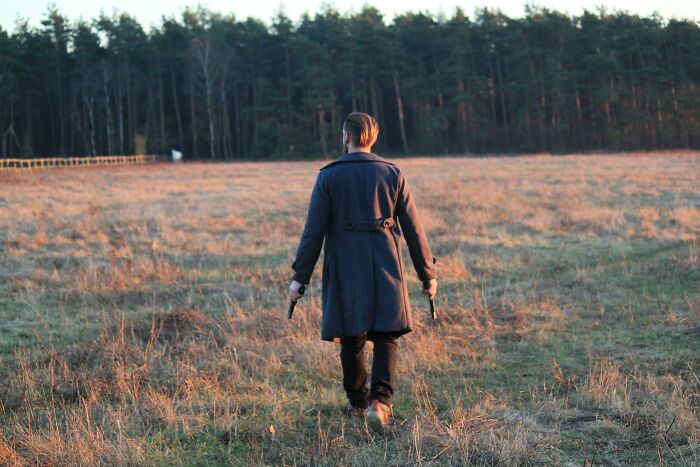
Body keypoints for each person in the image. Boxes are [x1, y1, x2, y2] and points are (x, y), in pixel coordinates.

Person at [288, 112, 437, 430]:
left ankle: (358, 402)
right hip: (386, 263)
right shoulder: (392, 173)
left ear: (346, 137)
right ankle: (380, 403)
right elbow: (414, 230)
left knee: (351, 337)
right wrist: (428, 275)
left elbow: (313, 232)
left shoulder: (328, 176)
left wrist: (299, 278)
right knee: (386, 335)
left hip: (346, 266)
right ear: (374, 137)